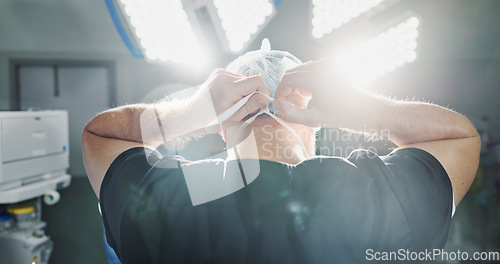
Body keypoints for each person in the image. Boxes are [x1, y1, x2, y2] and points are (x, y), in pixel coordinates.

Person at [82, 44, 480, 263]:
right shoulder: (377, 198)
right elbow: (458, 138)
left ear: (222, 124)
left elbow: (99, 135)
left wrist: (190, 113)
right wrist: (358, 108)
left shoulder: (164, 203)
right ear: (315, 117)